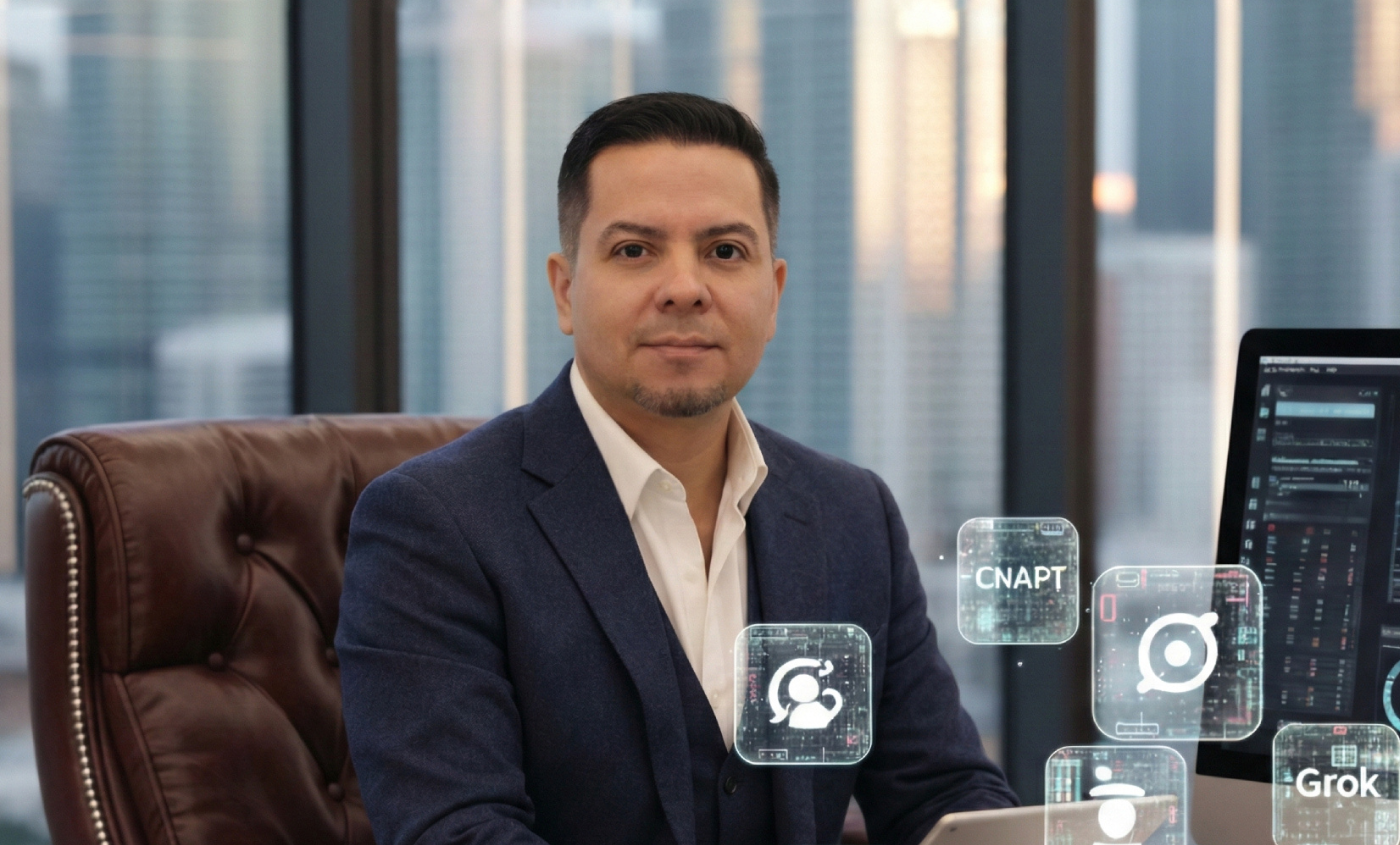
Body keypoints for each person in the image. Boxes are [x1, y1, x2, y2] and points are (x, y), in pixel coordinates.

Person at [337, 91, 1017, 845]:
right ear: (565, 290)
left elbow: (941, 791)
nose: (686, 288)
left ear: (773, 294)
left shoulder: (850, 515)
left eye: (724, 252)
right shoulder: (434, 525)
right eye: (635, 251)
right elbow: (456, 829)